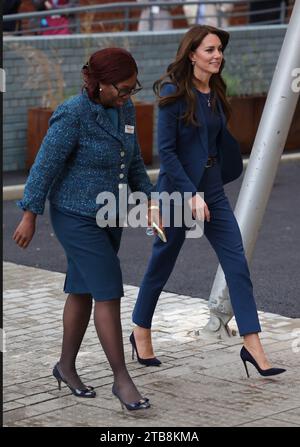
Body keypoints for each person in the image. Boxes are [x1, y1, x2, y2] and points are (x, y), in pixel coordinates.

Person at [131, 25, 286, 378]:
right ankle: (140, 329)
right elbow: (166, 153)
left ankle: (253, 345)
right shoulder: (172, 93)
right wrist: (190, 194)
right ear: (192, 54)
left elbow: (212, 142)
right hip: (177, 190)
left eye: (219, 50)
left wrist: (207, 185)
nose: (217, 55)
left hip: (212, 187)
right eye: (210, 50)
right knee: (162, 263)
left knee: (236, 263)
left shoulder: (215, 90)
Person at [13, 48, 163, 411]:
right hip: (74, 216)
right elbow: (45, 165)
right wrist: (30, 213)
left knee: (82, 289)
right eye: (123, 89)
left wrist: (152, 200)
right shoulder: (73, 114)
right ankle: (122, 380)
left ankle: (65, 367)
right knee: (108, 289)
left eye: (132, 89)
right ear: (98, 84)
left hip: (108, 216)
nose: (129, 95)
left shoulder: (124, 109)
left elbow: (135, 163)